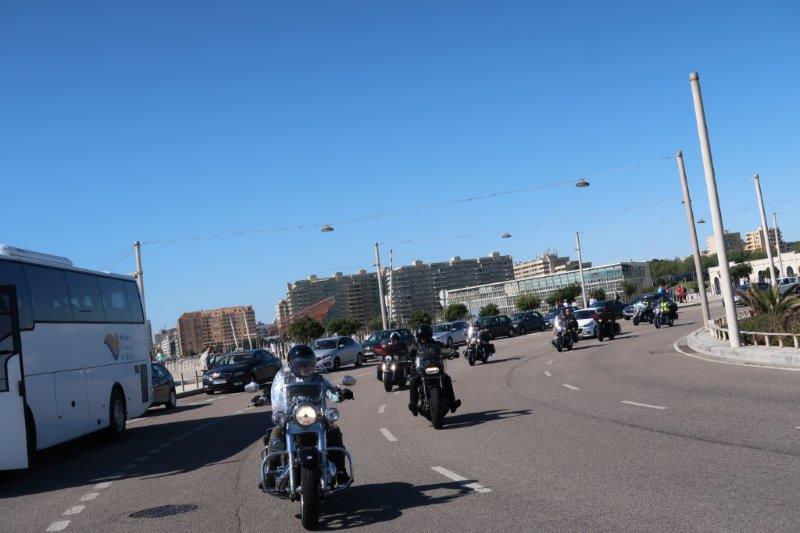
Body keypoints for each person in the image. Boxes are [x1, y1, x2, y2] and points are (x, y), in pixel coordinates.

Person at [265, 345, 353, 486]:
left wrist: (339, 395)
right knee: (276, 434)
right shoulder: (284, 381)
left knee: (334, 432)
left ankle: (341, 471)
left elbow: (330, 393)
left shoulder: (319, 379)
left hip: (316, 419)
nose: (306, 367)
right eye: (301, 364)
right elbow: (276, 394)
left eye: (309, 364)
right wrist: (265, 397)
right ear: (292, 366)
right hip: (291, 419)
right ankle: (270, 472)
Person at [408, 324, 461, 416]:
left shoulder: (436, 344)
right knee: (413, 380)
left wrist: (451, 353)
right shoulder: (415, 346)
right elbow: (409, 353)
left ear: (429, 336)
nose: (423, 339)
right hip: (421, 371)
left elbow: (443, 350)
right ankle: (414, 405)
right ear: (418, 337)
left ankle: (452, 404)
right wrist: (406, 356)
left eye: (425, 337)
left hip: (436, 369)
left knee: (447, 379)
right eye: (421, 337)